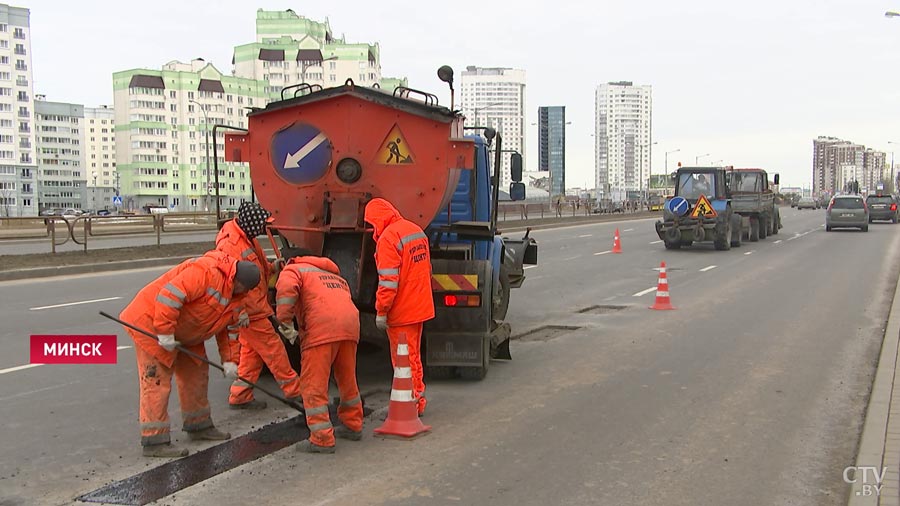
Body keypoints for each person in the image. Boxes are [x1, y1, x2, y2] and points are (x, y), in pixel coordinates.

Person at [119, 251, 260, 458]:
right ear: (235, 279)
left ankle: (199, 425)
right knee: (157, 381)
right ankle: (154, 440)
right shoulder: (205, 272)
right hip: (152, 325)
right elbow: (169, 297)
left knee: (197, 374)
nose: (243, 292)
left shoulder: (237, 296)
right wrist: (165, 333)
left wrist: (230, 360)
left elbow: (228, 330)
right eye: (243, 288)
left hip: (187, 333)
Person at [215, 202, 302, 410]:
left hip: (255, 308)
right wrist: (240, 311)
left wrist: (274, 266)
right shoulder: (230, 245)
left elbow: (260, 269)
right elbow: (229, 284)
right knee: (274, 350)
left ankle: (240, 395)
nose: (264, 228)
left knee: (251, 355)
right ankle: (294, 391)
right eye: (262, 224)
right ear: (251, 224)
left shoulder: (247, 239)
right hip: (250, 312)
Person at [275, 251, 363, 454]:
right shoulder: (332, 275)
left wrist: (285, 322)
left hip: (321, 328)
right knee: (347, 379)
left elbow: (286, 290)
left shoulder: (293, 269)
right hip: (350, 327)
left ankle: (322, 438)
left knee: (313, 385)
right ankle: (353, 424)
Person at [363, 198, 434, 416]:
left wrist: (381, 311)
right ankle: (417, 401)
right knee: (413, 357)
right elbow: (426, 271)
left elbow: (388, 282)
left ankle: (408, 406)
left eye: (370, 223)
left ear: (377, 219)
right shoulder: (415, 230)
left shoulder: (388, 239)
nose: (370, 228)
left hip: (402, 311)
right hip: (419, 306)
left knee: (403, 361)